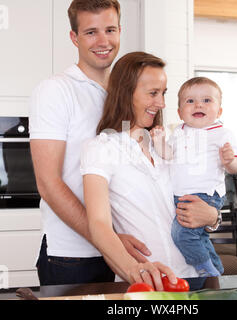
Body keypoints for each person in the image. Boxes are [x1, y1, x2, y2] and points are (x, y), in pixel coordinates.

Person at [29, 0, 152, 286]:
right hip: (72, 256)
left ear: (120, 31)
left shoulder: (126, 95)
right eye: (90, 32)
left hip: (127, 250)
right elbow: (48, 183)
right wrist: (109, 239)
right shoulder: (56, 90)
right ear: (74, 37)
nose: (103, 41)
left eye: (110, 29)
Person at [80, 52, 222, 291]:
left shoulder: (169, 144)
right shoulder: (101, 148)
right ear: (126, 93)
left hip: (196, 279)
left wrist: (213, 218)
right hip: (146, 284)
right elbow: (99, 224)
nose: (162, 103)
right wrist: (133, 269)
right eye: (153, 93)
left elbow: (204, 199)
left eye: (164, 93)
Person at [150, 77, 237, 277]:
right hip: (180, 194)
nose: (198, 104)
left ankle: (206, 271)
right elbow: (168, 155)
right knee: (199, 237)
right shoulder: (179, 132)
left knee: (182, 234)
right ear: (180, 112)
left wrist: (229, 161)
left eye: (207, 100)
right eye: (190, 101)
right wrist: (159, 141)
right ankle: (216, 270)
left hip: (205, 195)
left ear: (219, 111)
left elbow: (236, 167)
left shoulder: (222, 133)